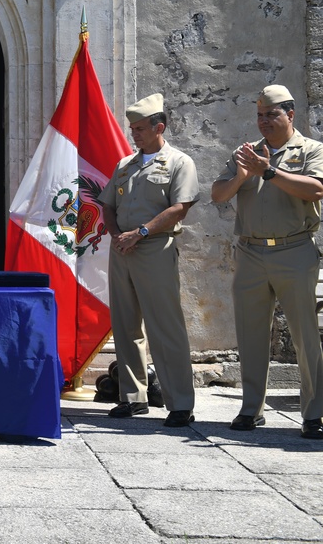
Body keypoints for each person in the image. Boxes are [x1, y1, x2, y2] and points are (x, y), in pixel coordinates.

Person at [210, 84, 323, 439]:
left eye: (271, 114)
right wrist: (244, 174)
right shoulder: (245, 153)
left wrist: (269, 171)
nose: (264, 121)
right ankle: (251, 409)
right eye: (259, 115)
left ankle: (314, 414)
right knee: (250, 334)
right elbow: (218, 195)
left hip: (294, 250)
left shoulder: (310, 149)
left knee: (306, 336)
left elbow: (316, 189)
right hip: (251, 252)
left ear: (290, 114)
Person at [98, 93, 199, 427]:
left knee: (165, 326)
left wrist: (139, 233)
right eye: (132, 129)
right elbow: (107, 205)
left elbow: (179, 207)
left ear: (160, 126)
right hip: (122, 249)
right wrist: (116, 235)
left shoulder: (179, 163)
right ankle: (133, 396)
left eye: (140, 128)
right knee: (125, 326)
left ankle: (180, 402)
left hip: (154, 248)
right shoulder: (125, 166)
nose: (134, 134)